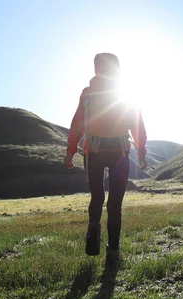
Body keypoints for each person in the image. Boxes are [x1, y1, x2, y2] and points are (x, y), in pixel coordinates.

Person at [63, 53, 147, 258]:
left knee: (97, 196)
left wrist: (70, 151)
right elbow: (137, 126)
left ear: (96, 69)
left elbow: (77, 125)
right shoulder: (125, 92)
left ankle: (93, 231)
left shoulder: (88, 93)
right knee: (115, 203)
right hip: (119, 152)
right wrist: (141, 152)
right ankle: (113, 250)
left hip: (93, 152)